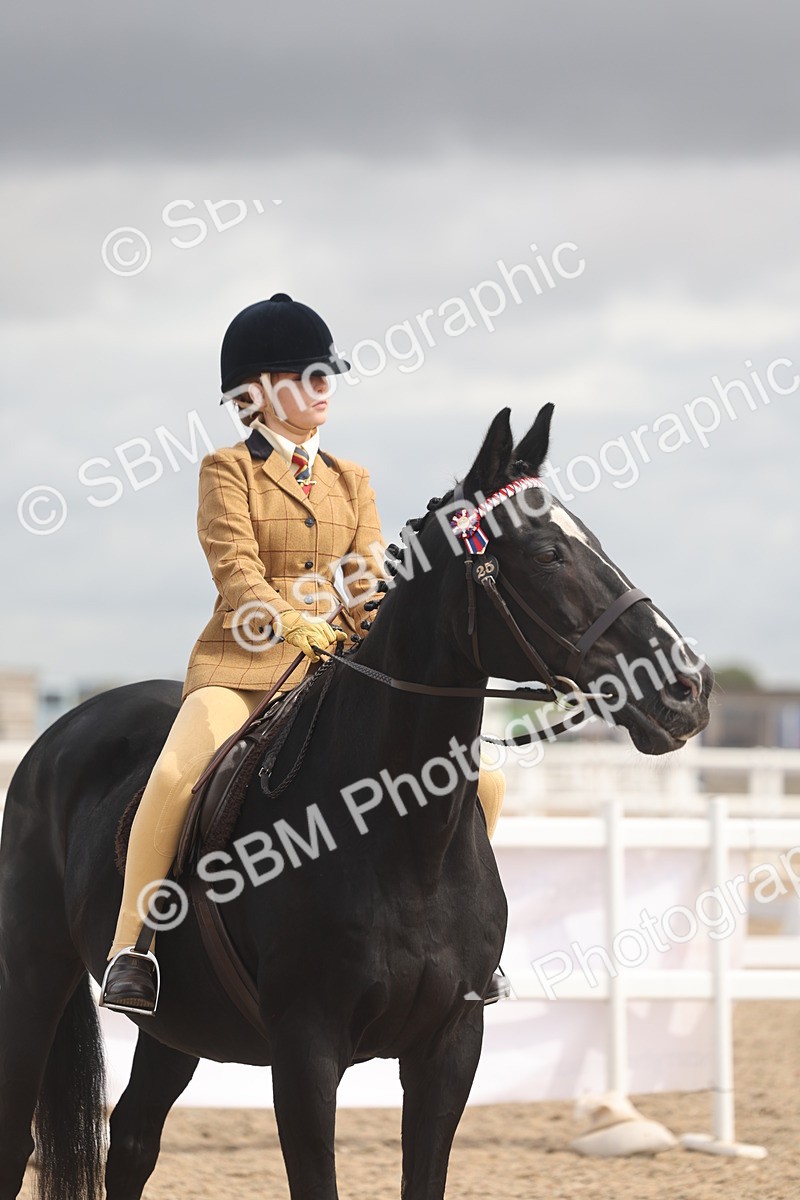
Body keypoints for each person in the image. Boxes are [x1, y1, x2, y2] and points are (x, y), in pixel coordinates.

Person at [100, 293, 508, 1015]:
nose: (325, 387)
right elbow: (235, 568)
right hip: (242, 668)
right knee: (176, 776)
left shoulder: (353, 480)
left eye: (327, 375)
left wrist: (377, 627)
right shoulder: (227, 470)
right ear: (257, 392)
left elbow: (369, 578)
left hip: (333, 672)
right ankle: (134, 947)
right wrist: (289, 621)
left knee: (486, 780)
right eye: (306, 376)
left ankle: (463, 934)